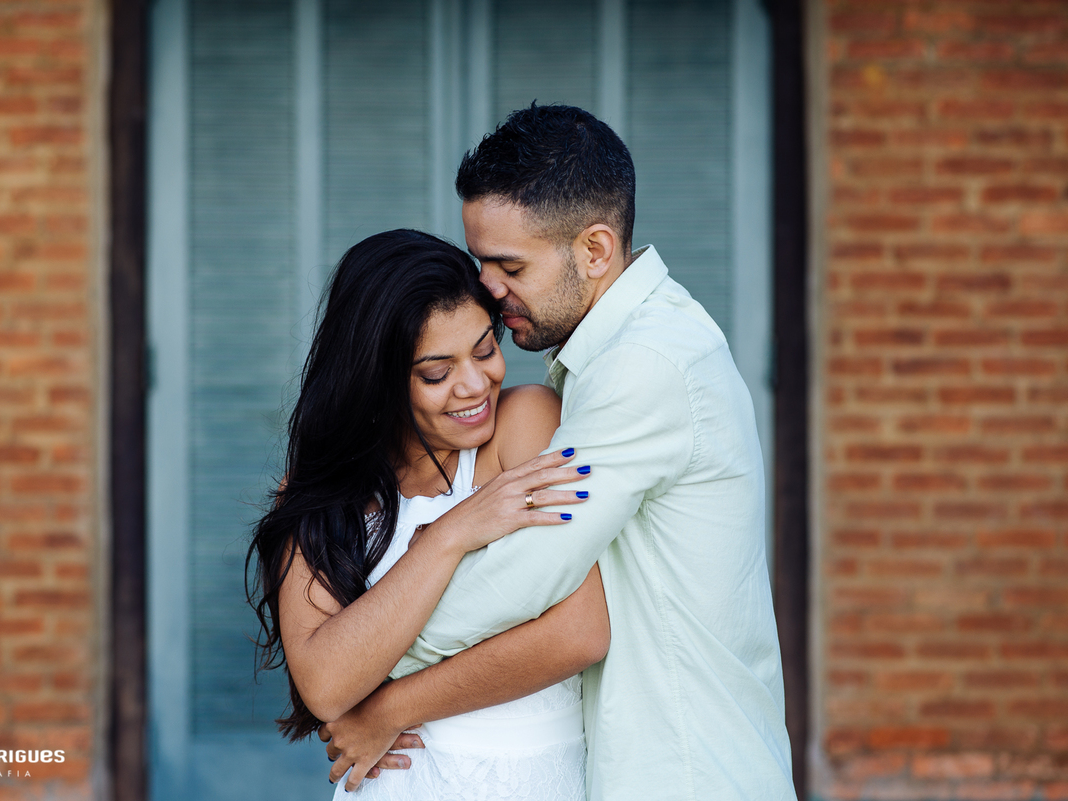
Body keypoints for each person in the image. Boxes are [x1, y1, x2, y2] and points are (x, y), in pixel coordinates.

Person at [323, 104, 796, 799]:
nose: (485, 286)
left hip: (688, 775)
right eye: (482, 260)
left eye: (508, 263)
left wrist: (360, 676)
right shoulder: (617, 353)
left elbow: (528, 575)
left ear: (596, 250)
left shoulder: (646, 365)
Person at [245, 229, 611, 799]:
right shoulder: (319, 494)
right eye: (437, 373)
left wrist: (390, 708)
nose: (475, 384)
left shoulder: (524, 425)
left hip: (532, 780)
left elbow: (579, 633)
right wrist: (448, 536)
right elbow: (325, 683)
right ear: (378, 381)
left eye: (486, 349)